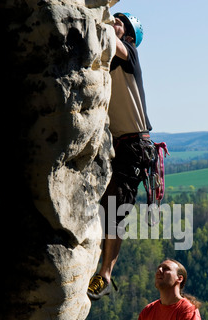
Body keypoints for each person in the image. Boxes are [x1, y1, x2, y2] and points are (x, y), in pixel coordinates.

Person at [88, 12, 156, 301]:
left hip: (133, 146)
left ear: (128, 35)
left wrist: (98, 20)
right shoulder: (105, 65)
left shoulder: (130, 53)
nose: (112, 22)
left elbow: (109, 40)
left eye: (119, 22)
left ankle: (105, 275)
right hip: (117, 144)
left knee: (116, 209)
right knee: (104, 204)